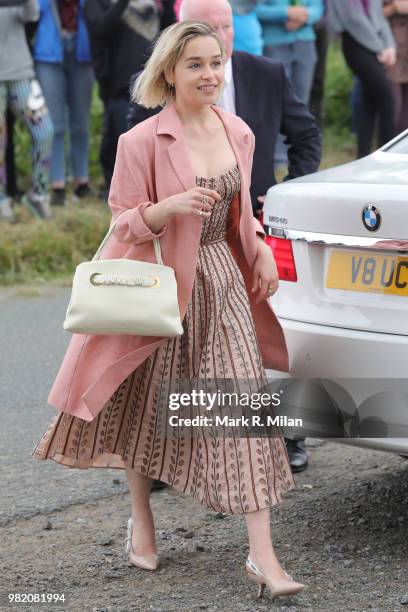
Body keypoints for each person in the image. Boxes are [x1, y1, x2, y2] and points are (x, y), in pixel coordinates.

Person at [33, 21, 306, 600]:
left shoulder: (238, 129)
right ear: (169, 73)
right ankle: (143, 521)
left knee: (244, 411)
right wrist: (168, 207)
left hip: (224, 281)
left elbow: (241, 211)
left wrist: (258, 251)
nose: (210, 75)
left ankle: (263, 556)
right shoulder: (142, 140)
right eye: (195, 65)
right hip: (164, 290)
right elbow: (122, 219)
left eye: (215, 63)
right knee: (145, 405)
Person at [128, 0, 321, 472]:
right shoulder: (154, 115)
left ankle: (279, 439)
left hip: (251, 229)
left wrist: (278, 198)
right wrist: (165, 210)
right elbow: (137, 178)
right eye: (207, 27)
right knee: (186, 350)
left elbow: (307, 137)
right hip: (183, 243)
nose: (220, 35)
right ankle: (174, 455)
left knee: (259, 339)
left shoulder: (266, 71)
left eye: (226, 26)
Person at [83, 0, 176, 199]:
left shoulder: (154, 4)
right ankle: (120, 192)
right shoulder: (99, 4)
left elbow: (170, 33)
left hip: (156, 85)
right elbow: (101, 28)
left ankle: (154, 190)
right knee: (123, 140)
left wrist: (167, 4)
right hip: (119, 86)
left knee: (157, 141)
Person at [33, 0, 94, 206]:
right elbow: (32, 12)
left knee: (81, 123)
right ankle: (57, 185)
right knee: (55, 125)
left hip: (82, 52)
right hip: (49, 54)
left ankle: (82, 181)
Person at [0, 0, 54, 222]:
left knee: (45, 132)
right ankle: (2, 199)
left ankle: (38, 194)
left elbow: (32, 14)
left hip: (21, 73)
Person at [256, 0, 323, 166]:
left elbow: (319, 7)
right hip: (274, 45)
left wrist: (304, 16)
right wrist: (286, 12)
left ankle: (303, 154)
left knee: (301, 103)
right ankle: (278, 157)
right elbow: (255, 9)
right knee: (276, 102)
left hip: (305, 43)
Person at [328, 0, 396, 158]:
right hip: (355, 44)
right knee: (387, 100)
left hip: (375, 44)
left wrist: (389, 45)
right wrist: (380, 48)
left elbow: (379, 16)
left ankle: (363, 154)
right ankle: (388, 157)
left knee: (369, 100)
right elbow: (353, 20)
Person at [383, 0, 408, 133]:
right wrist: (393, 8)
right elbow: (369, 15)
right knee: (394, 103)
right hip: (389, 45)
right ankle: (389, 145)